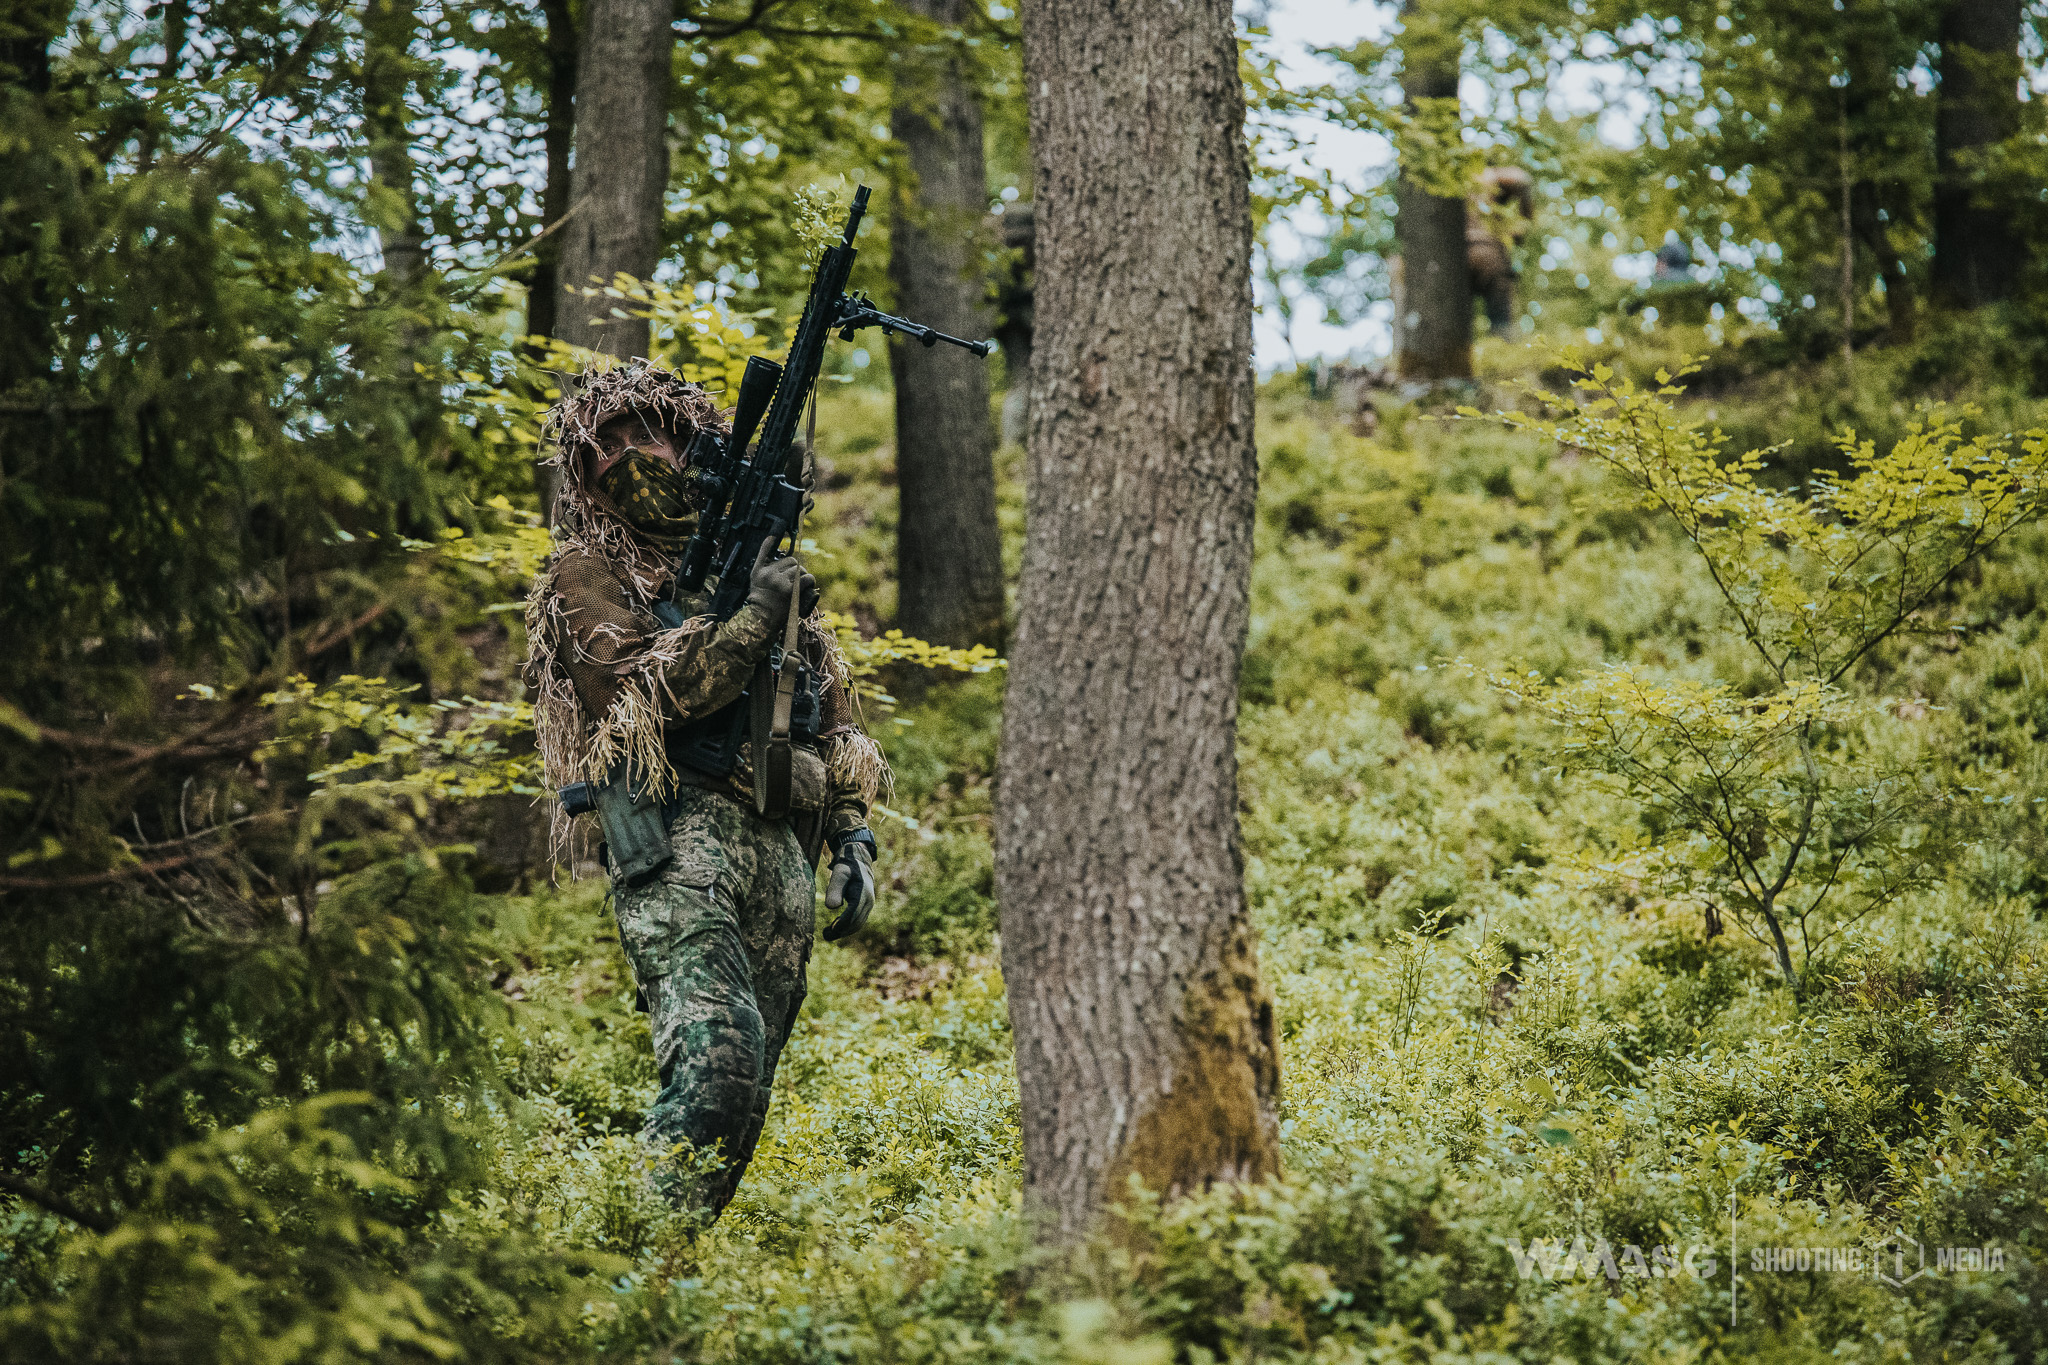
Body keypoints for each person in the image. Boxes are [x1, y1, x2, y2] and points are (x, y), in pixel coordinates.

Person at [523, 358, 888, 1218]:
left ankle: (665, 1286)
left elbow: (822, 706)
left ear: (688, 438)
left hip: (779, 851)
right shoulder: (587, 575)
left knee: (745, 1098)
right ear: (584, 484)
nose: (621, 457)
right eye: (600, 452)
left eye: (637, 433)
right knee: (716, 1070)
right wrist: (755, 614)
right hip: (678, 840)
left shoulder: (752, 559)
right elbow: (646, 694)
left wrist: (852, 833)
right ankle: (622, 1265)